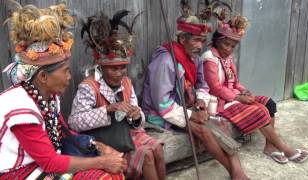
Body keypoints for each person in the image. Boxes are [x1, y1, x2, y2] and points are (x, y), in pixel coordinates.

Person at [0, 3, 126, 179]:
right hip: (19, 173)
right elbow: (50, 162)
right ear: (43, 77)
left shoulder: (47, 98)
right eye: (66, 71)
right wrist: (103, 161)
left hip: (41, 165)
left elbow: (62, 135)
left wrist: (98, 146)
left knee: (113, 173)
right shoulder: (21, 109)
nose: (69, 77)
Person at [142, 1, 249, 180]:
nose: (200, 46)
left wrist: (201, 101)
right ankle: (234, 172)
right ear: (182, 39)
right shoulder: (166, 62)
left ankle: (237, 170)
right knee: (203, 130)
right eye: (196, 40)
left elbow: (202, 85)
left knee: (220, 123)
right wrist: (192, 116)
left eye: (202, 41)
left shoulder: (195, 57)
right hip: (160, 115)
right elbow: (162, 105)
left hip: (188, 108)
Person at [68, 11, 165, 180]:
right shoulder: (89, 87)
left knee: (157, 149)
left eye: (122, 67)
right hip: (104, 139)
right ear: (101, 66)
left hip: (127, 133)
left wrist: (136, 116)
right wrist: (108, 109)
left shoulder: (126, 83)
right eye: (114, 68)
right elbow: (74, 122)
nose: (119, 73)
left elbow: (138, 118)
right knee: (147, 156)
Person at [202, 15, 308, 164]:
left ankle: (270, 147)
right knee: (258, 111)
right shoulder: (209, 58)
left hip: (232, 96)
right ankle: (285, 148)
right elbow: (215, 88)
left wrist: (244, 91)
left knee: (269, 103)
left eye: (232, 46)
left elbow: (235, 82)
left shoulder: (228, 57)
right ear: (217, 41)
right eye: (226, 44)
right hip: (219, 102)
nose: (229, 49)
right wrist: (239, 98)